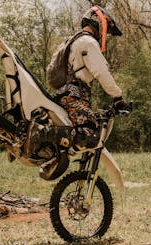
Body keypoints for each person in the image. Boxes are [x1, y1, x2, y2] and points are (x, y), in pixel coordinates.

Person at [55, 5, 131, 147]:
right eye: (107, 29)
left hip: (63, 94)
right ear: (99, 21)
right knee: (90, 135)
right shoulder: (88, 42)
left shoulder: (71, 41)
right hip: (74, 95)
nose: (106, 34)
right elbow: (101, 72)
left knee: (78, 133)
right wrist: (118, 97)